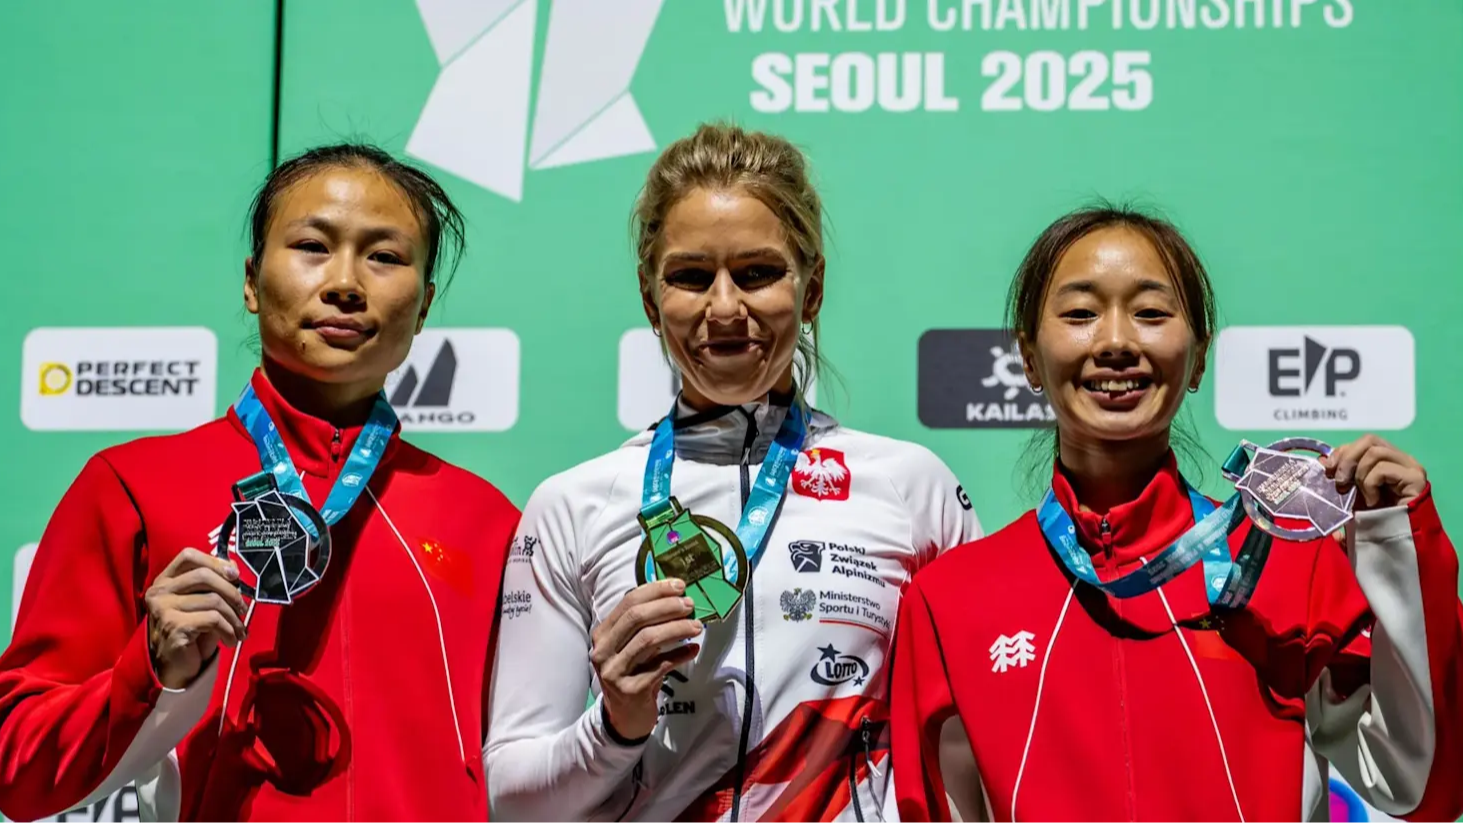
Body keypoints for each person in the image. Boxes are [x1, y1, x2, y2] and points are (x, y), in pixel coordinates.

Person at [890, 204, 1463, 823]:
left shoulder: (1291, 567)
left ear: (1200, 356)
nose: (1115, 342)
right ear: (1028, 357)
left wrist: (1395, 547)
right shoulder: (951, 600)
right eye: (1081, 313)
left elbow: (1420, 786)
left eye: (1151, 313)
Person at [0, 143, 519, 822]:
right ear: (251, 280)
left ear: (422, 306)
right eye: (311, 245)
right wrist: (150, 669)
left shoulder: (487, 520)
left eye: (385, 256)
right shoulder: (131, 486)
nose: (345, 282)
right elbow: (18, 766)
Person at [484, 122, 982, 822]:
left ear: (810, 291)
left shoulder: (911, 485)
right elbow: (513, 802)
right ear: (648, 297)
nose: (724, 308)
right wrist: (617, 721)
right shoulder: (572, 504)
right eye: (690, 277)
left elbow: (969, 755)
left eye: (757, 273)